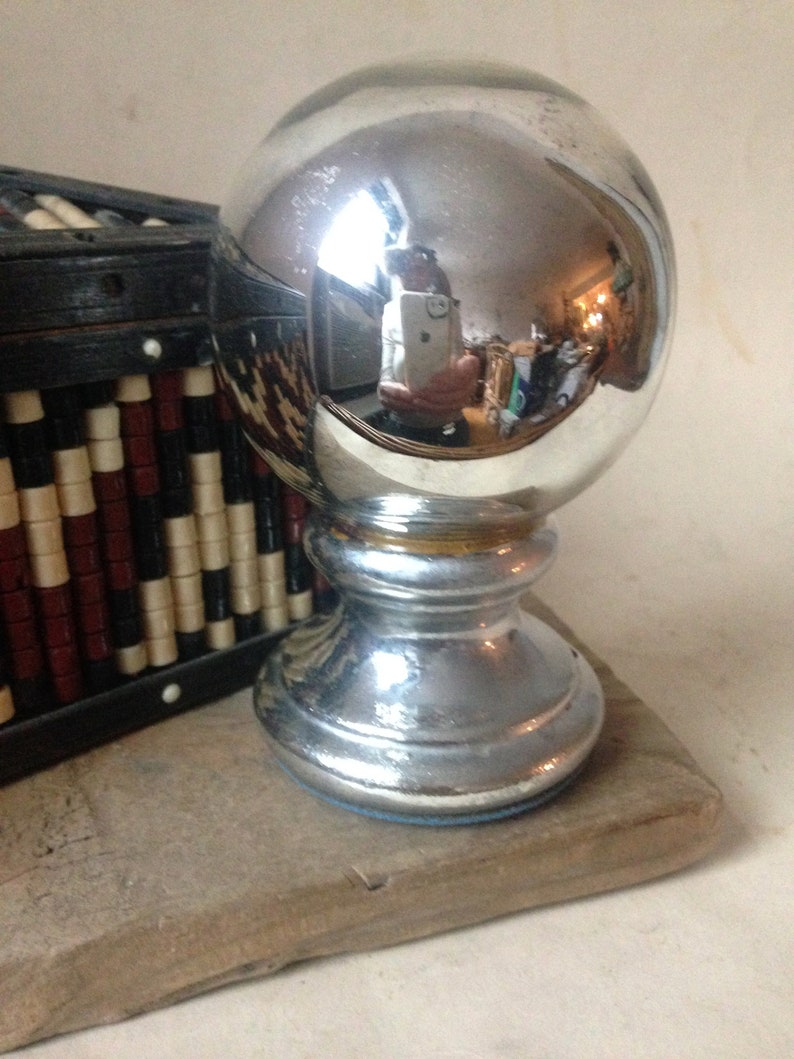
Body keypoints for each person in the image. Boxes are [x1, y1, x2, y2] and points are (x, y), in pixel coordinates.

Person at [374, 245, 478, 446]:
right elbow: (386, 371)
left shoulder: (447, 309)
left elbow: (458, 359)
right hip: (401, 423)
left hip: (447, 422)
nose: (412, 275)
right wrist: (384, 389)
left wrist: (467, 374)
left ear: (429, 273)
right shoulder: (389, 311)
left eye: (419, 269)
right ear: (397, 272)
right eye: (405, 269)